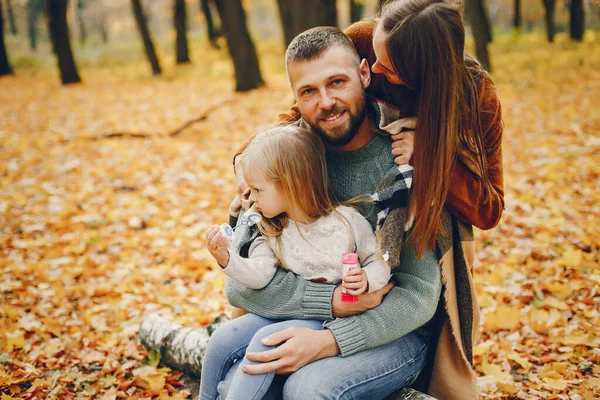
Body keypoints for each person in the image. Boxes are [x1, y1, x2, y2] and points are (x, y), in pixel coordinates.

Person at [214, 1, 503, 398]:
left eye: (338, 83)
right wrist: (251, 160)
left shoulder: (413, 158)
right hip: (311, 316)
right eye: (308, 92)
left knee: (303, 387)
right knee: (234, 364)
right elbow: (240, 284)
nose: (326, 102)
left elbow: (420, 289)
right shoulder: (295, 162)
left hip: (394, 327)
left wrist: (433, 157)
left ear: (363, 75)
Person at [199, 125, 395, 400]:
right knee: (222, 340)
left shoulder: (347, 223)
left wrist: (367, 279)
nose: (251, 199)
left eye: (257, 189)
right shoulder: (274, 228)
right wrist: (226, 259)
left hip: (329, 320)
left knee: (265, 345)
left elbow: (379, 260)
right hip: (286, 313)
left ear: (289, 185)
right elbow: (259, 276)